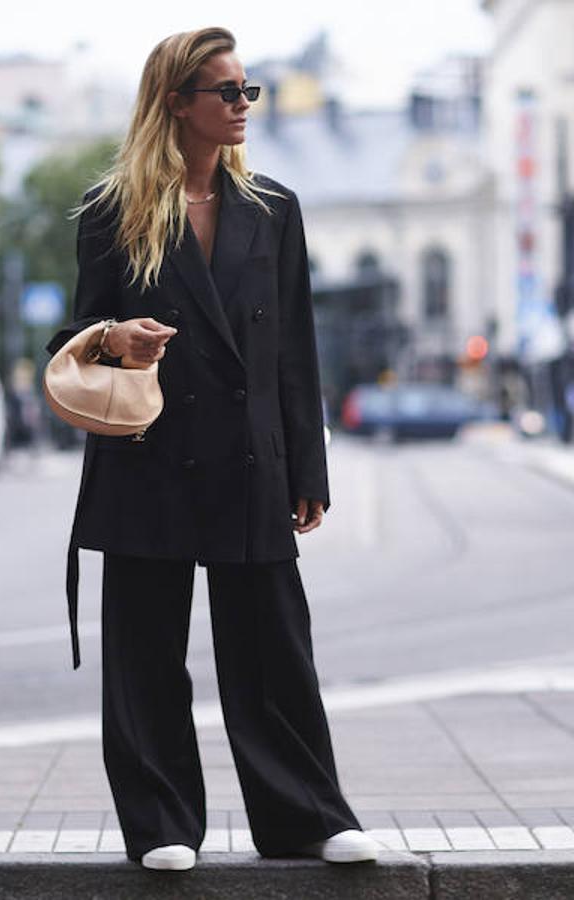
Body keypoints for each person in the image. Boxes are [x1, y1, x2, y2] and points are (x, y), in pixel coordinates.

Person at [43, 27, 378, 872]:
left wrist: (308, 468)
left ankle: (305, 817)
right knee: (146, 650)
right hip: (148, 453)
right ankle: (161, 824)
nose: (242, 106)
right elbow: (70, 334)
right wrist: (113, 336)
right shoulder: (112, 209)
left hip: (250, 457)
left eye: (246, 90)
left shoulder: (273, 208)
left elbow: (295, 351)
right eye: (226, 92)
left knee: (273, 648)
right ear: (175, 103)